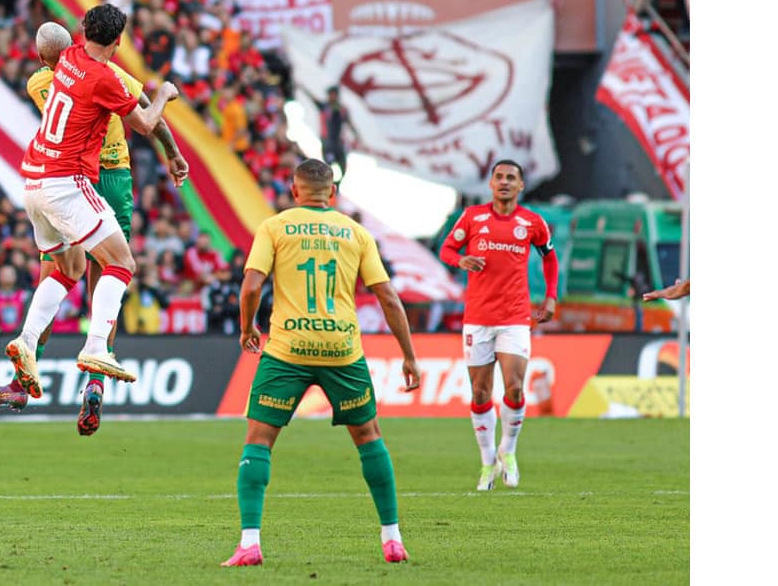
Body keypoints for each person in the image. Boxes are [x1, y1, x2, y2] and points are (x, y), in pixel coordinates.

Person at [0, 18, 188, 436]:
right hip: (97, 177)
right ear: (116, 41)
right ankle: (96, 375)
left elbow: (62, 61)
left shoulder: (47, 76)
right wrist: (172, 149)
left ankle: (23, 375)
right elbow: (149, 119)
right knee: (112, 272)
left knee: (60, 270)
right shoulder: (110, 75)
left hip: (42, 174)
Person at [223, 158, 421, 567]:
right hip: (342, 350)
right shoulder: (356, 232)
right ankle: (392, 538)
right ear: (332, 193)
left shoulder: (275, 227)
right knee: (369, 437)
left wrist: (248, 328)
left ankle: (249, 544)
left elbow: (250, 286)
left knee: (259, 440)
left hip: (287, 349)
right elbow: (388, 298)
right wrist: (409, 356)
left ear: (294, 191)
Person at [438, 159, 558, 491]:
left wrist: (550, 298)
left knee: (515, 387)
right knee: (479, 392)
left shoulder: (532, 223)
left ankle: (509, 449)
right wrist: (460, 259)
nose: (504, 182)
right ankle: (488, 458)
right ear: (491, 184)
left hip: (515, 318)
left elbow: (549, 257)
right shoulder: (472, 217)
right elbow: (447, 248)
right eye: (499, 177)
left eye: (511, 178)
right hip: (477, 318)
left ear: (520, 186)